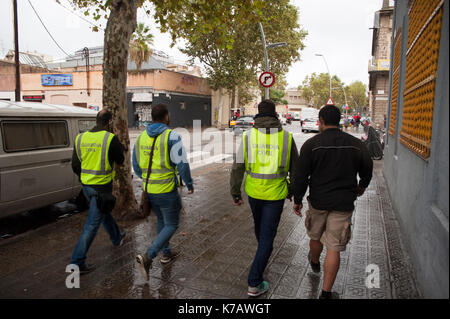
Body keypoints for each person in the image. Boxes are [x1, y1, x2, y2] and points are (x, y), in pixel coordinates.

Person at [291, 105, 373, 299]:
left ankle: (315, 261)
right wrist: (362, 186)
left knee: (315, 236)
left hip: (318, 201)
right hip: (343, 203)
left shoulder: (312, 144)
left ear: (320, 121)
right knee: (334, 247)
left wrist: (298, 199)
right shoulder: (356, 144)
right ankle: (326, 294)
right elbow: (367, 168)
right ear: (340, 121)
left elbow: (301, 176)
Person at [230, 99, 299, 297]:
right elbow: (296, 168)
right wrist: (293, 191)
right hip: (276, 195)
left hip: (254, 193)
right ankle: (254, 282)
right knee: (267, 236)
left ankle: (262, 256)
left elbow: (237, 167)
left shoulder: (247, 137)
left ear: (258, 115)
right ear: (275, 115)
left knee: (261, 231)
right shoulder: (286, 137)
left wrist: (235, 193)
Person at [133, 103, 194, 281]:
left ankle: (166, 253)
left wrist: (147, 178)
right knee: (172, 224)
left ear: (152, 117)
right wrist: (189, 183)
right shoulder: (171, 136)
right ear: (166, 116)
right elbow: (182, 163)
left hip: (149, 189)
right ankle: (149, 256)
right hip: (167, 189)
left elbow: (136, 165)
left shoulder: (141, 137)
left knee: (161, 220)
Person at [70, 109, 126, 274]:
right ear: (109, 123)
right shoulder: (110, 139)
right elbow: (120, 160)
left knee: (103, 213)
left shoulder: (81, 137)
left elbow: (75, 165)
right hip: (101, 189)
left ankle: (117, 237)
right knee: (91, 225)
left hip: (86, 187)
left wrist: (85, 179)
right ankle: (77, 262)